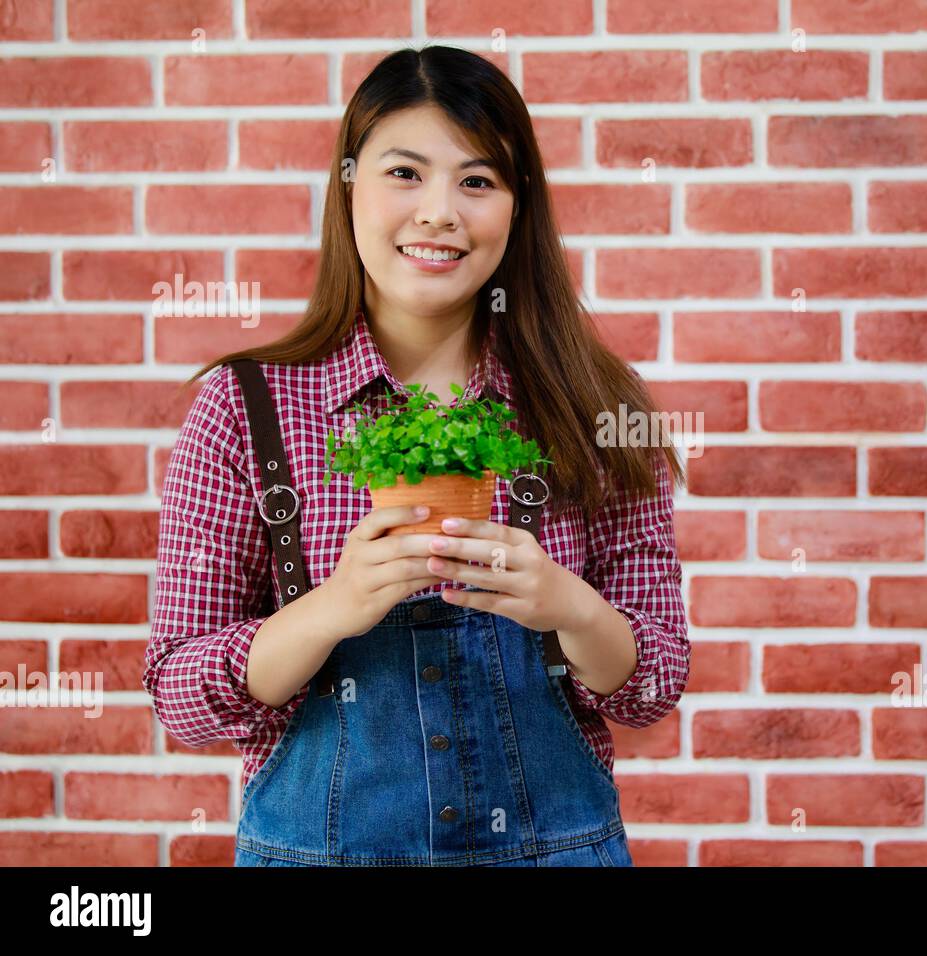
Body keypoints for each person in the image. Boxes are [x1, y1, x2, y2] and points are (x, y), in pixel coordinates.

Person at [143, 45, 689, 867]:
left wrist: (566, 605)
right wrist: (332, 608)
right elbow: (181, 698)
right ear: (350, 183)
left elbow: (654, 684)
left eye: (478, 181)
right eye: (405, 173)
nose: (440, 212)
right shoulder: (246, 408)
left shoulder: (595, 404)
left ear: (517, 207)